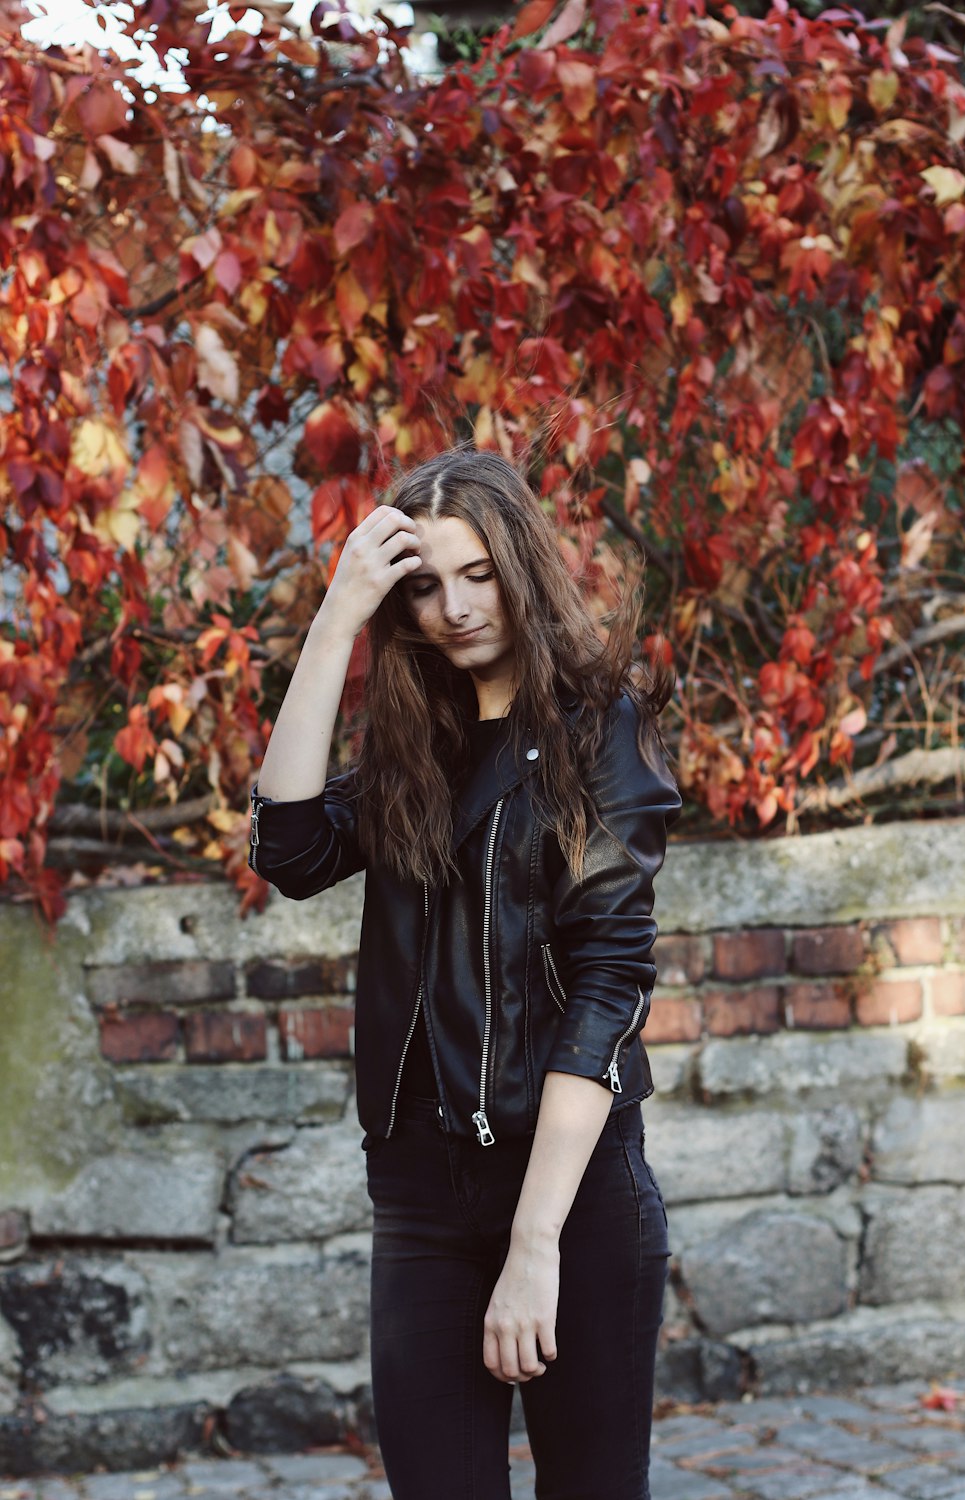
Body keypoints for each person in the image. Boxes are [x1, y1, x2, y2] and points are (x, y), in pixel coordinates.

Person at [249, 449, 682, 1500]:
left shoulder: (599, 728)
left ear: (520, 567)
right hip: (420, 1198)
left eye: (477, 573)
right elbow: (289, 849)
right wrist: (336, 618)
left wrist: (535, 1244)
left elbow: (607, 987)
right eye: (425, 586)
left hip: (570, 1195)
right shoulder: (417, 741)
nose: (453, 607)